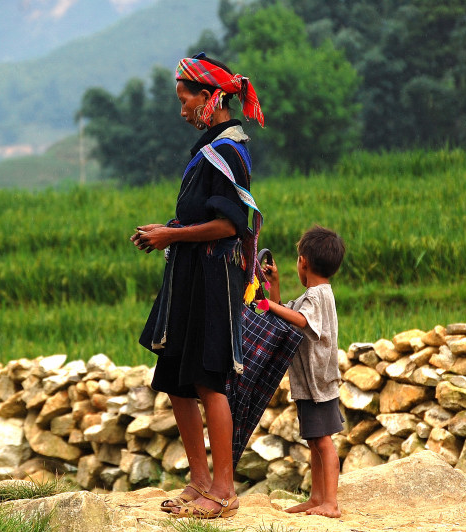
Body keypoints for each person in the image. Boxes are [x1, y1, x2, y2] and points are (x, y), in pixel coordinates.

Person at [131, 52, 264, 519]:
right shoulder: (209, 148)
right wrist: (169, 229)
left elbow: (229, 225)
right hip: (189, 273)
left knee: (209, 379)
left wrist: (171, 236)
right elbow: (199, 216)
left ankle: (224, 491)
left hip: (213, 276)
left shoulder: (227, 151)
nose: (182, 109)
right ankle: (200, 481)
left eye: (185, 99)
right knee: (176, 377)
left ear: (209, 96)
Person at [257, 225, 346, 518]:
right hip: (312, 383)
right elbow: (289, 314)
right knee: (315, 440)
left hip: (319, 384)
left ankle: (330, 503)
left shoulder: (317, 296)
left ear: (303, 262)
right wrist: (275, 287)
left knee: (323, 441)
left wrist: (267, 305)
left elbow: (299, 320)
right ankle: (317, 497)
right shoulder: (315, 295)